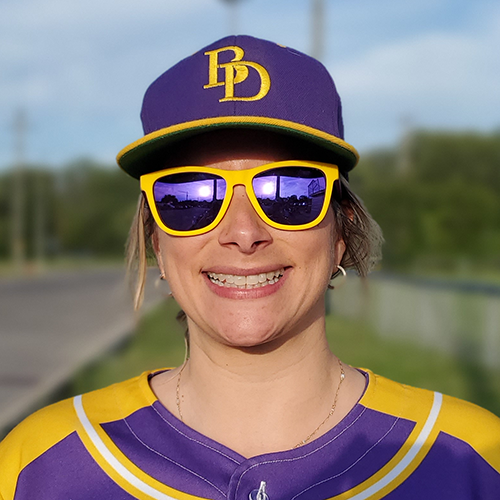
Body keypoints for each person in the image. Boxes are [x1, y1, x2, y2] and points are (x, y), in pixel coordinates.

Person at [1, 35, 499, 500]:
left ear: (340, 234)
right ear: (158, 242)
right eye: (190, 197)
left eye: (289, 192)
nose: (243, 233)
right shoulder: (38, 466)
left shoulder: (472, 460)